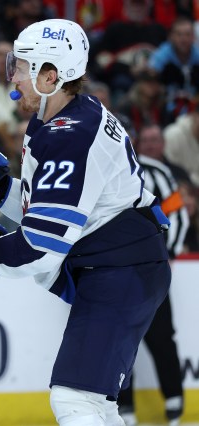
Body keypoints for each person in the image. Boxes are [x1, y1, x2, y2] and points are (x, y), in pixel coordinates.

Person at [0, 19, 171, 425]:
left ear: (51, 76)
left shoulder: (70, 134)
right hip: (122, 266)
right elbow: (49, 210)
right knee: (94, 404)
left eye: (22, 66)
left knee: (76, 400)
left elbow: (42, 248)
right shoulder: (62, 117)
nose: (12, 74)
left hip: (119, 272)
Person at [116, 123, 188, 426]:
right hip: (114, 275)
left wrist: (165, 254)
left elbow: (178, 214)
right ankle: (124, 409)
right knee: (118, 341)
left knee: (161, 338)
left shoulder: (155, 171)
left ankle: (174, 399)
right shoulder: (96, 170)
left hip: (151, 274)